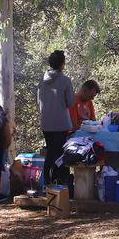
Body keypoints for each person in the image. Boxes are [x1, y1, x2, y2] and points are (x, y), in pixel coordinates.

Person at [36, 50, 75, 188]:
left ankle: (48, 182)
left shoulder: (42, 80)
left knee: (50, 151)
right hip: (61, 123)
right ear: (62, 64)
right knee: (60, 153)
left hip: (46, 123)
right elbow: (70, 102)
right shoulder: (65, 80)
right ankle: (60, 183)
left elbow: (38, 101)